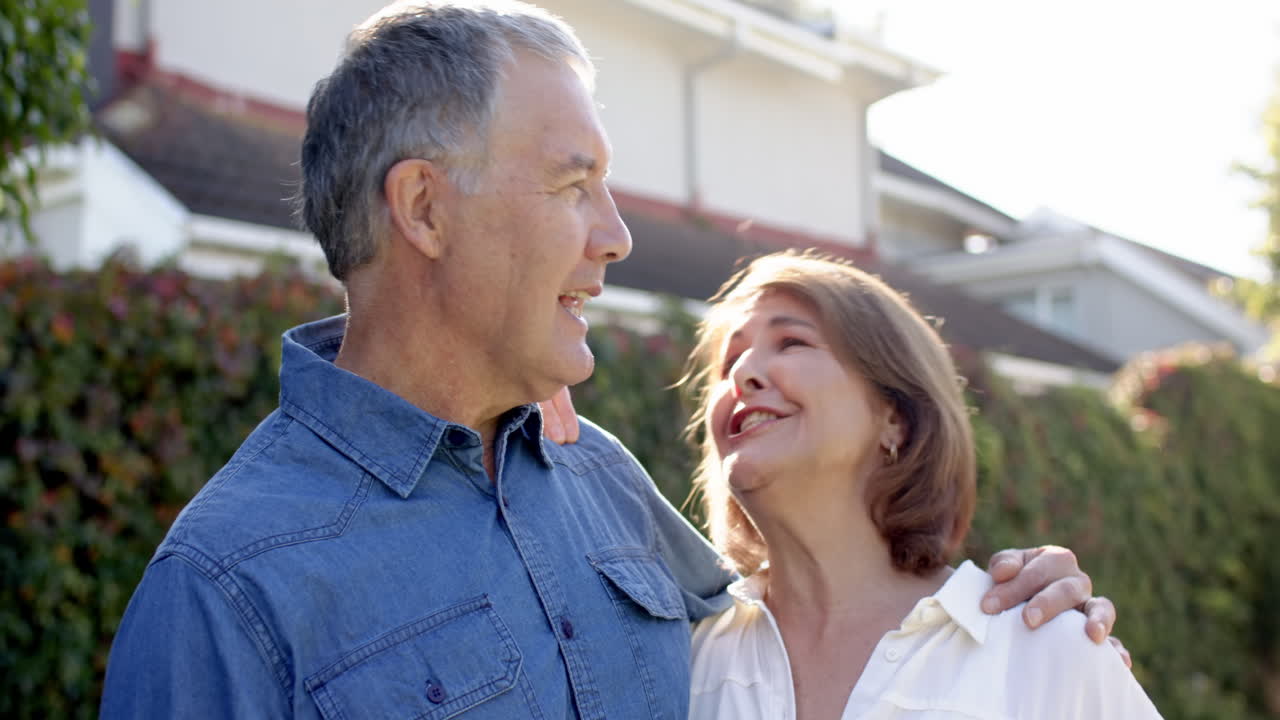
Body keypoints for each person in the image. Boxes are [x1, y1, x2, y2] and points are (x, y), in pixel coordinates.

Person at [100, 3, 1117, 718]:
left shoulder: (600, 479)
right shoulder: (224, 594)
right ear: (421, 209)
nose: (617, 235)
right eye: (572, 183)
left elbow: (802, 617)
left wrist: (1003, 609)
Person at [674, 251, 1159, 718]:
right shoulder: (679, 660)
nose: (741, 373)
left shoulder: (1044, 651)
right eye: (729, 360)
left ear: (896, 417)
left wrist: (1075, 657)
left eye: (792, 343)